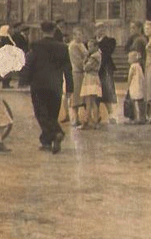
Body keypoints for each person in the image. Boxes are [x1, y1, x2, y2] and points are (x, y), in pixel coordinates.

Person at [20, 21, 73, 153]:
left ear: (41, 31)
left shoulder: (36, 45)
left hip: (39, 84)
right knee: (52, 114)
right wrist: (70, 87)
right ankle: (47, 141)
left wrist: (24, 80)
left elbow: (29, 63)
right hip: (56, 85)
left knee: (41, 113)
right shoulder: (63, 47)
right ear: (54, 31)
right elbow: (68, 68)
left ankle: (56, 133)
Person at [93, 22, 118, 124]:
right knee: (95, 91)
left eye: (102, 28)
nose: (100, 30)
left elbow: (107, 52)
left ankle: (111, 114)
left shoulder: (110, 41)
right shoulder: (92, 41)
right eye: (98, 28)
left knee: (106, 90)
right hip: (95, 68)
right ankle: (97, 114)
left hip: (105, 68)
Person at [68, 27, 89, 127]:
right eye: (78, 35)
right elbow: (77, 60)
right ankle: (75, 118)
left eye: (81, 35)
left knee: (84, 96)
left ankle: (86, 117)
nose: (80, 37)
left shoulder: (81, 44)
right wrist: (85, 65)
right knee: (76, 95)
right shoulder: (73, 46)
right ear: (74, 36)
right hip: (76, 72)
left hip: (83, 72)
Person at [80, 38, 103, 129]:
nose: (88, 48)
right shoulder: (96, 55)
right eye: (88, 46)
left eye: (90, 47)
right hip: (91, 78)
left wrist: (85, 60)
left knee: (90, 101)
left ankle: (88, 121)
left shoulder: (94, 57)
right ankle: (93, 121)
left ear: (96, 47)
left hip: (91, 79)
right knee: (92, 102)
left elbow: (86, 68)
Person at [126, 50, 146, 124]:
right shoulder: (139, 66)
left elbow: (130, 76)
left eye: (129, 58)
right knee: (140, 102)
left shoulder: (133, 66)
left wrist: (128, 85)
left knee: (134, 102)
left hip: (134, 86)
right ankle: (142, 117)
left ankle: (135, 118)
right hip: (140, 85)